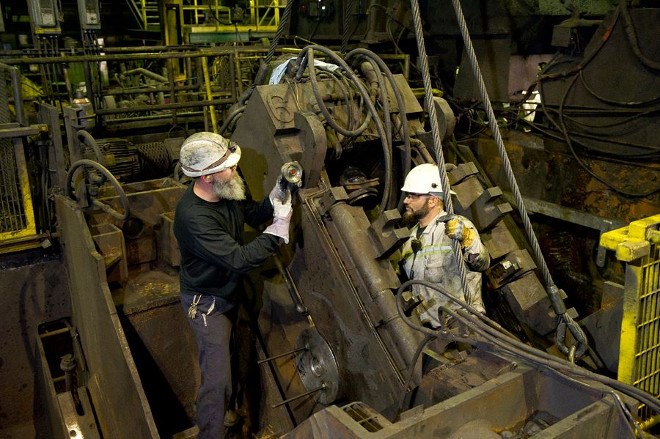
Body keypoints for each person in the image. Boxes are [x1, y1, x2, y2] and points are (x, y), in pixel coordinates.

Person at [173, 131, 292, 439]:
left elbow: (251, 213)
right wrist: (278, 229)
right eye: (228, 166)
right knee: (218, 381)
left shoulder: (228, 187)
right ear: (207, 177)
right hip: (208, 304)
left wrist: (277, 195)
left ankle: (234, 415)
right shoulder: (193, 218)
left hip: (231, 292)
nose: (235, 169)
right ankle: (210, 434)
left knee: (238, 360)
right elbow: (239, 258)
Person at [398, 163, 490, 329]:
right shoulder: (408, 239)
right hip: (430, 330)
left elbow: (481, 264)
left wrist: (467, 240)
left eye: (413, 196)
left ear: (433, 200)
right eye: (407, 195)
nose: (406, 200)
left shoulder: (457, 226)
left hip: (464, 324)